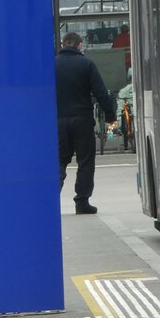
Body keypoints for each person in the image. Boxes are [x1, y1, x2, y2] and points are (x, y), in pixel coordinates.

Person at [55, 32, 115, 215]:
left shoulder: (52, 64)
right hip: (82, 120)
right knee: (86, 161)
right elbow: (100, 92)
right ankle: (82, 202)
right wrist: (111, 115)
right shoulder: (86, 64)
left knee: (58, 161)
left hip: (58, 121)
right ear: (80, 45)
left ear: (63, 44)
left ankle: (50, 199)